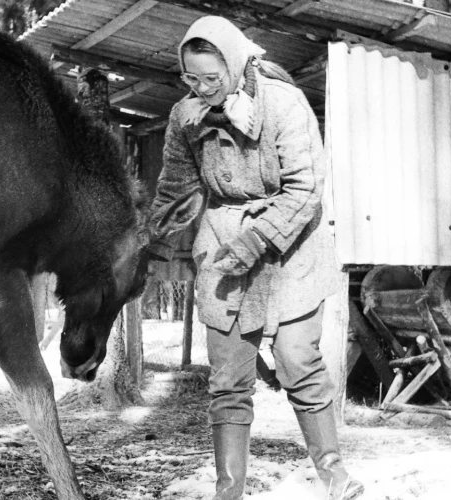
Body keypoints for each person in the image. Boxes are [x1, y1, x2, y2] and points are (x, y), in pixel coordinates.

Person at [149, 16, 364, 500]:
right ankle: (229, 491)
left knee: (297, 359)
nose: (202, 89)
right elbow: (176, 189)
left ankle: (334, 475)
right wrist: (151, 237)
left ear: (235, 63)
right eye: (191, 78)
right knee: (227, 378)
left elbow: (306, 189)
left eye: (212, 78)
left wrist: (255, 242)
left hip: (291, 247)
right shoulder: (186, 117)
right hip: (223, 246)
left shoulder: (283, 102)